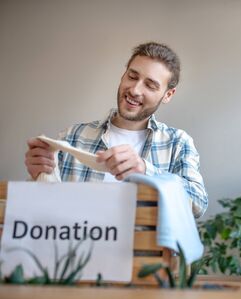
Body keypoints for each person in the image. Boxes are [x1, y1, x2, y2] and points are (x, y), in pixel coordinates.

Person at [24, 42, 208, 218]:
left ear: (168, 95)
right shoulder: (73, 136)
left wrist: (145, 171)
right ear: (123, 75)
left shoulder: (177, 143)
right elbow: (44, 207)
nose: (135, 90)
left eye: (150, 85)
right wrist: (39, 176)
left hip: (143, 249)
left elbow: (198, 204)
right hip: (77, 249)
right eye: (132, 76)